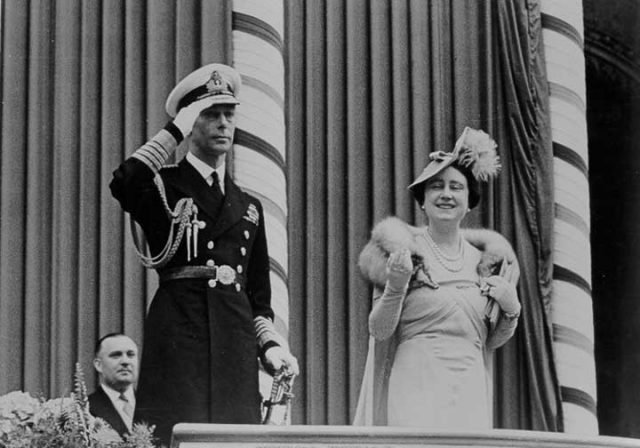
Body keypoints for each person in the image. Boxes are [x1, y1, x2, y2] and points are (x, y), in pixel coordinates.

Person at [109, 63, 298, 445]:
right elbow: (123, 181)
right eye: (211, 114)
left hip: (235, 343)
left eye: (229, 114)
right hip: (180, 338)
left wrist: (272, 345)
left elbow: (259, 298)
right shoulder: (163, 184)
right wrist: (174, 130)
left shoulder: (248, 206)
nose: (224, 124)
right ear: (191, 121)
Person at [354, 127, 521, 429]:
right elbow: (379, 331)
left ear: (470, 200)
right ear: (422, 200)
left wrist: (512, 310)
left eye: (456, 187)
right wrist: (396, 286)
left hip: (469, 386)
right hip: (414, 384)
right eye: (435, 187)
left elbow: (491, 340)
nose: (446, 194)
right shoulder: (400, 252)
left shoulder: (490, 263)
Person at [89, 333, 139, 437]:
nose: (125, 361)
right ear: (99, 365)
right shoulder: (84, 409)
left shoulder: (154, 405)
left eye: (130, 355)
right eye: (116, 355)